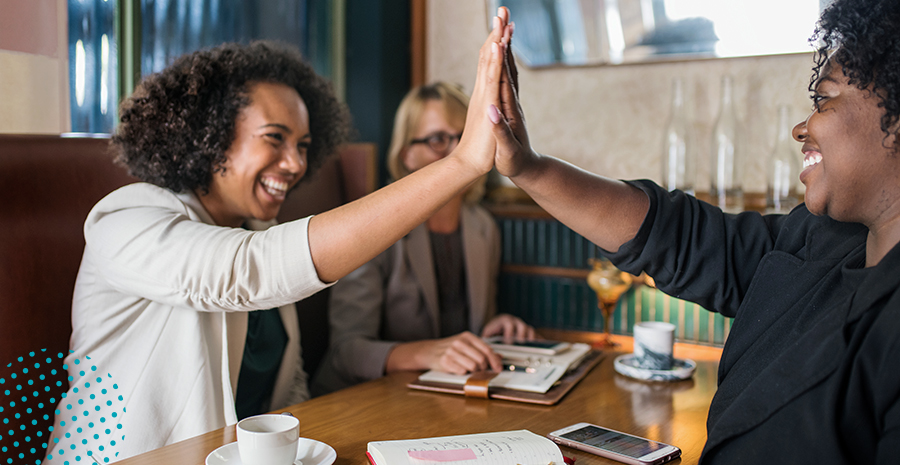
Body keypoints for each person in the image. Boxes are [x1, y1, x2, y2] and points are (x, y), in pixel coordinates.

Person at [45, 11, 514, 462]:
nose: (296, 164)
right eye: (275, 138)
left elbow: (288, 393)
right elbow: (248, 271)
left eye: (304, 146)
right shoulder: (125, 220)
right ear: (210, 137)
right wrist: (459, 164)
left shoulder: (258, 230)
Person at [488, 0, 899, 462]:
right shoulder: (824, 239)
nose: (802, 128)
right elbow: (681, 237)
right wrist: (527, 166)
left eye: (823, 100)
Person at [311, 82, 536, 395]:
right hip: (367, 400)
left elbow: (464, 332)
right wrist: (425, 353)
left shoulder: (482, 227)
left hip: (443, 397)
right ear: (407, 156)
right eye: (437, 139)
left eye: (466, 137)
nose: (460, 151)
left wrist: (494, 330)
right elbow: (345, 353)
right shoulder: (374, 227)